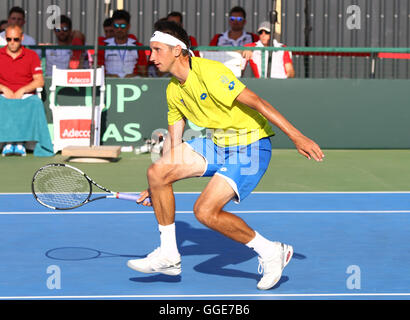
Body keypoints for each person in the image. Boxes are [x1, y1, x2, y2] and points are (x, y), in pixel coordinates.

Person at [127, 21, 324, 290]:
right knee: (156, 172)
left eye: (157, 50)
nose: (151, 57)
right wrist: (158, 185)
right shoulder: (173, 90)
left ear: (177, 50)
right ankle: (169, 256)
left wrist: (296, 136)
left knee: (205, 212)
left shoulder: (210, 73)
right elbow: (174, 140)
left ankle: (270, 251)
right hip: (219, 144)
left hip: (251, 145)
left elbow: (257, 102)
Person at [0, 25, 44, 156]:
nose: (12, 42)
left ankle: (20, 142)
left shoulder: (31, 55)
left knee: (35, 102)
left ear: (22, 38)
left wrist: (22, 90)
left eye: (16, 39)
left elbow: (39, 80)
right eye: (9, 39)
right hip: (3, 95)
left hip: (25, 96)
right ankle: (8, 141)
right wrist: (3, 88)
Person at [98, 10, 147, 78]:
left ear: (128, 26)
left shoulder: (137, 46)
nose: (119, 29)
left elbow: (144, 73)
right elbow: (98, 70)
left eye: (123, 26)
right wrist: (110, 76)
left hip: (133, 82)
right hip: (109, 82)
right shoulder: (103, 46)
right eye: (116, 26)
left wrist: (133, 75)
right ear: (112, 26)